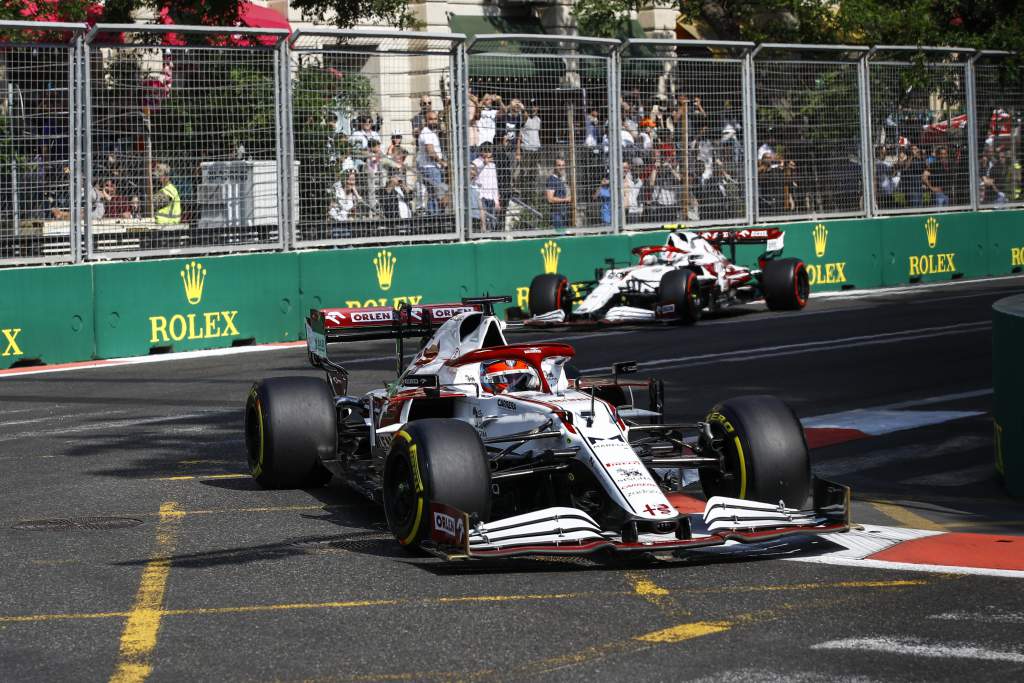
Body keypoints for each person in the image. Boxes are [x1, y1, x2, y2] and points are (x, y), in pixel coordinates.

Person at [416, 110, 448, 215]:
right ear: (426, 121)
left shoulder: (430, 133)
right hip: (430, 167)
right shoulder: (427, 133)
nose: (433, 121)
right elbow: (430, 152)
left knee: (433, 194)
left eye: (435, 119)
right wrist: (441, 162)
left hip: (431, 167)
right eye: (431, 119)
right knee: (437, 194)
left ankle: (434, 217)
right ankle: (435, 217)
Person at [471, 142, 500, 231]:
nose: (488, 153)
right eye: (486, 151)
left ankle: (492, 236)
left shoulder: (493, 164)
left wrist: (496, 200)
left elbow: (494, 182)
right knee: (483, 220)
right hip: (481, 195)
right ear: (481, 151)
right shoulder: (476, 162)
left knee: (492, 220)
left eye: (490, 151)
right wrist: (484, 163)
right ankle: (483, 234)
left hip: (491, 197)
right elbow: (473, 173)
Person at [328, 171, 362, 235]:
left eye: (353, 180)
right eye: (349, 179)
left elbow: (353, 214)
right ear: (344, 180)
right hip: (336, 224)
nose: (351, 182)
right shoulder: (338, 190)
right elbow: (330, 206)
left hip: (347, 225)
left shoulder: (354, 195)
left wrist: (357, 196)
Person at [545, 158, 571, 229]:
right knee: (560, 237)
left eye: (563, 165)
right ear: (554, 166)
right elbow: (550, 199)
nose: (561, 167)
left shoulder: (560, 180)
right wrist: (565, 199)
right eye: (559, 165)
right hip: (556, 215)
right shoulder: (551, 179)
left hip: (563, 214)